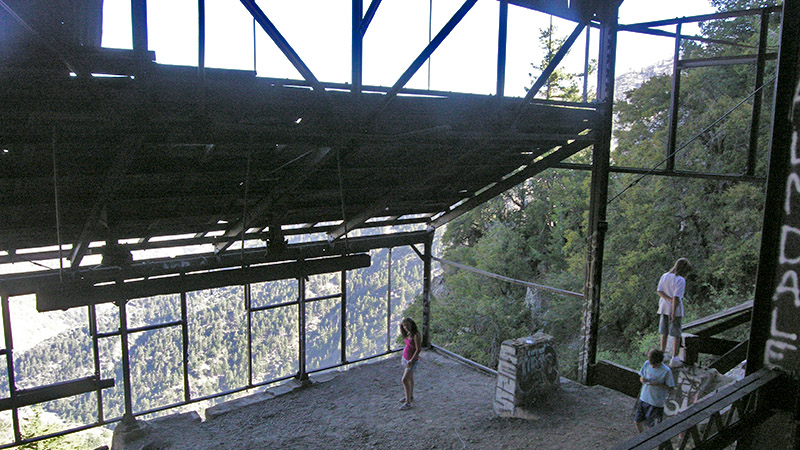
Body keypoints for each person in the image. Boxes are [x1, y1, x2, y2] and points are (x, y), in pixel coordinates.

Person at [657, 257, 692, 367]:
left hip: (663, 307)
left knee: (664, 332)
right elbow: (676, 298)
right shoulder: (680, 280)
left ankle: (662, 353)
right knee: (676, 333)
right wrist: (673, 312)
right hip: (674, 310)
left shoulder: (665, 276)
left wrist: (667, 300)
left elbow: (659, 291)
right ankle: (674, 357)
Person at [634, 348, 676, 433]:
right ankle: (641, 437)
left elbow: (671, 388)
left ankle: (650, 441)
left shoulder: (666, 371)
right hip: (644, 398)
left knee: (653, 427)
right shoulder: (646, 364)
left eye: (655, 365)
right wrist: (642, 380)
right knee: (637, 421)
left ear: (660, 362)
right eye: (651, 364)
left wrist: (658, 384)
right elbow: (641, 376)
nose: (652, 366)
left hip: (656, 402)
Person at [399, 317, 421, 410]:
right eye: (404, 326)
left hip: (411, 360)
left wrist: (412, 360)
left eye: (407, 325)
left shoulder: (416, 335)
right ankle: (410, 396)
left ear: (412, 324)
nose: (406, 327)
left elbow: (418, 349)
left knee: (404, 380)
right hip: (405, 358)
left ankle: (408, 403)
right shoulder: (408, 333)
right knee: (410, 378)